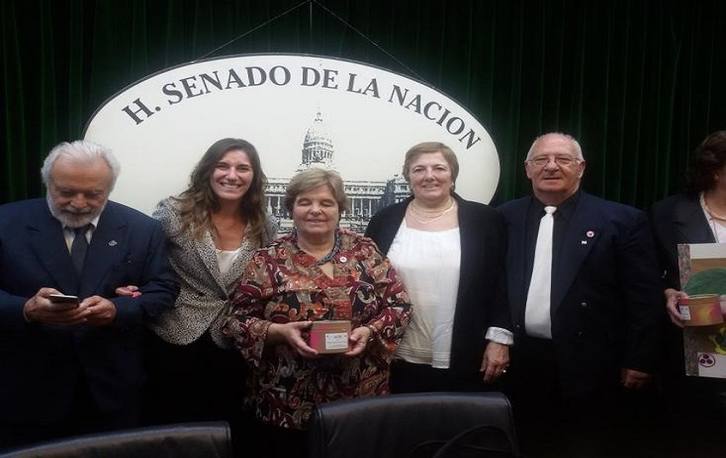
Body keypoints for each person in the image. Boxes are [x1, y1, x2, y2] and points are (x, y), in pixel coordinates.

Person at [0, 140, 178, 450]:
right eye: (65, 192)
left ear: (110, 188)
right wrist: (26, 309)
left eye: (93, 194)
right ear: (47, 182)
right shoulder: (6, 222)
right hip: (28, 390)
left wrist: (117, 309)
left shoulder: (142, 229)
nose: (79, 203)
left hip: (112, 390)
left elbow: (163, 289)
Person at [222, 168, 411, 457]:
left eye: (326, 203)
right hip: (286, 397)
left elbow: (399, 305)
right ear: (291, 208)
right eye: (305, 202)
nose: (315, 211)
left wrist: (369, 332)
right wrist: (278, 332)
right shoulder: (267, 259)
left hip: (359, 393)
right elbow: (235, 322)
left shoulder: (365, 251)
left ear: (339, 209)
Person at [498, 132, 664, 458]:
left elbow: (644, 297)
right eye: (541, 160)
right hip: (522, 364)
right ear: (527, 169)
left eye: (563, 159)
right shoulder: (504, 218)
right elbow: (494, 286)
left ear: (581, 167)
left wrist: (639, 359)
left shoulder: (621, 220)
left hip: (593, 367)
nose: (551, 167)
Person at [141, 138, 276, 433]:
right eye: (222, 166)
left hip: (230, 340)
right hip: (174, 333)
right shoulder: (174, 212)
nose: (232, 175)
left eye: (243, 168)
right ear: (208, 170)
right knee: (170, 427)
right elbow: (141, 256)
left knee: (223, 427)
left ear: (253, 177)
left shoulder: (265, 223)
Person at [365, 141, 512, 392]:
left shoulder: (485, 220)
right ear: (408, 177)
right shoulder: (384, 220)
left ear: (452, 176)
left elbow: (503, 282)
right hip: (395, 352)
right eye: (419, 169)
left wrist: (499, 339)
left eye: (439, 168)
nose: (429, 176)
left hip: (467, 351)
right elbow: (367, 282)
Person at [650, 130, 726, 457]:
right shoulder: (668, 213)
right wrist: (666, 292)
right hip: (694, 363)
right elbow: (645, 275)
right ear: (716, 170)